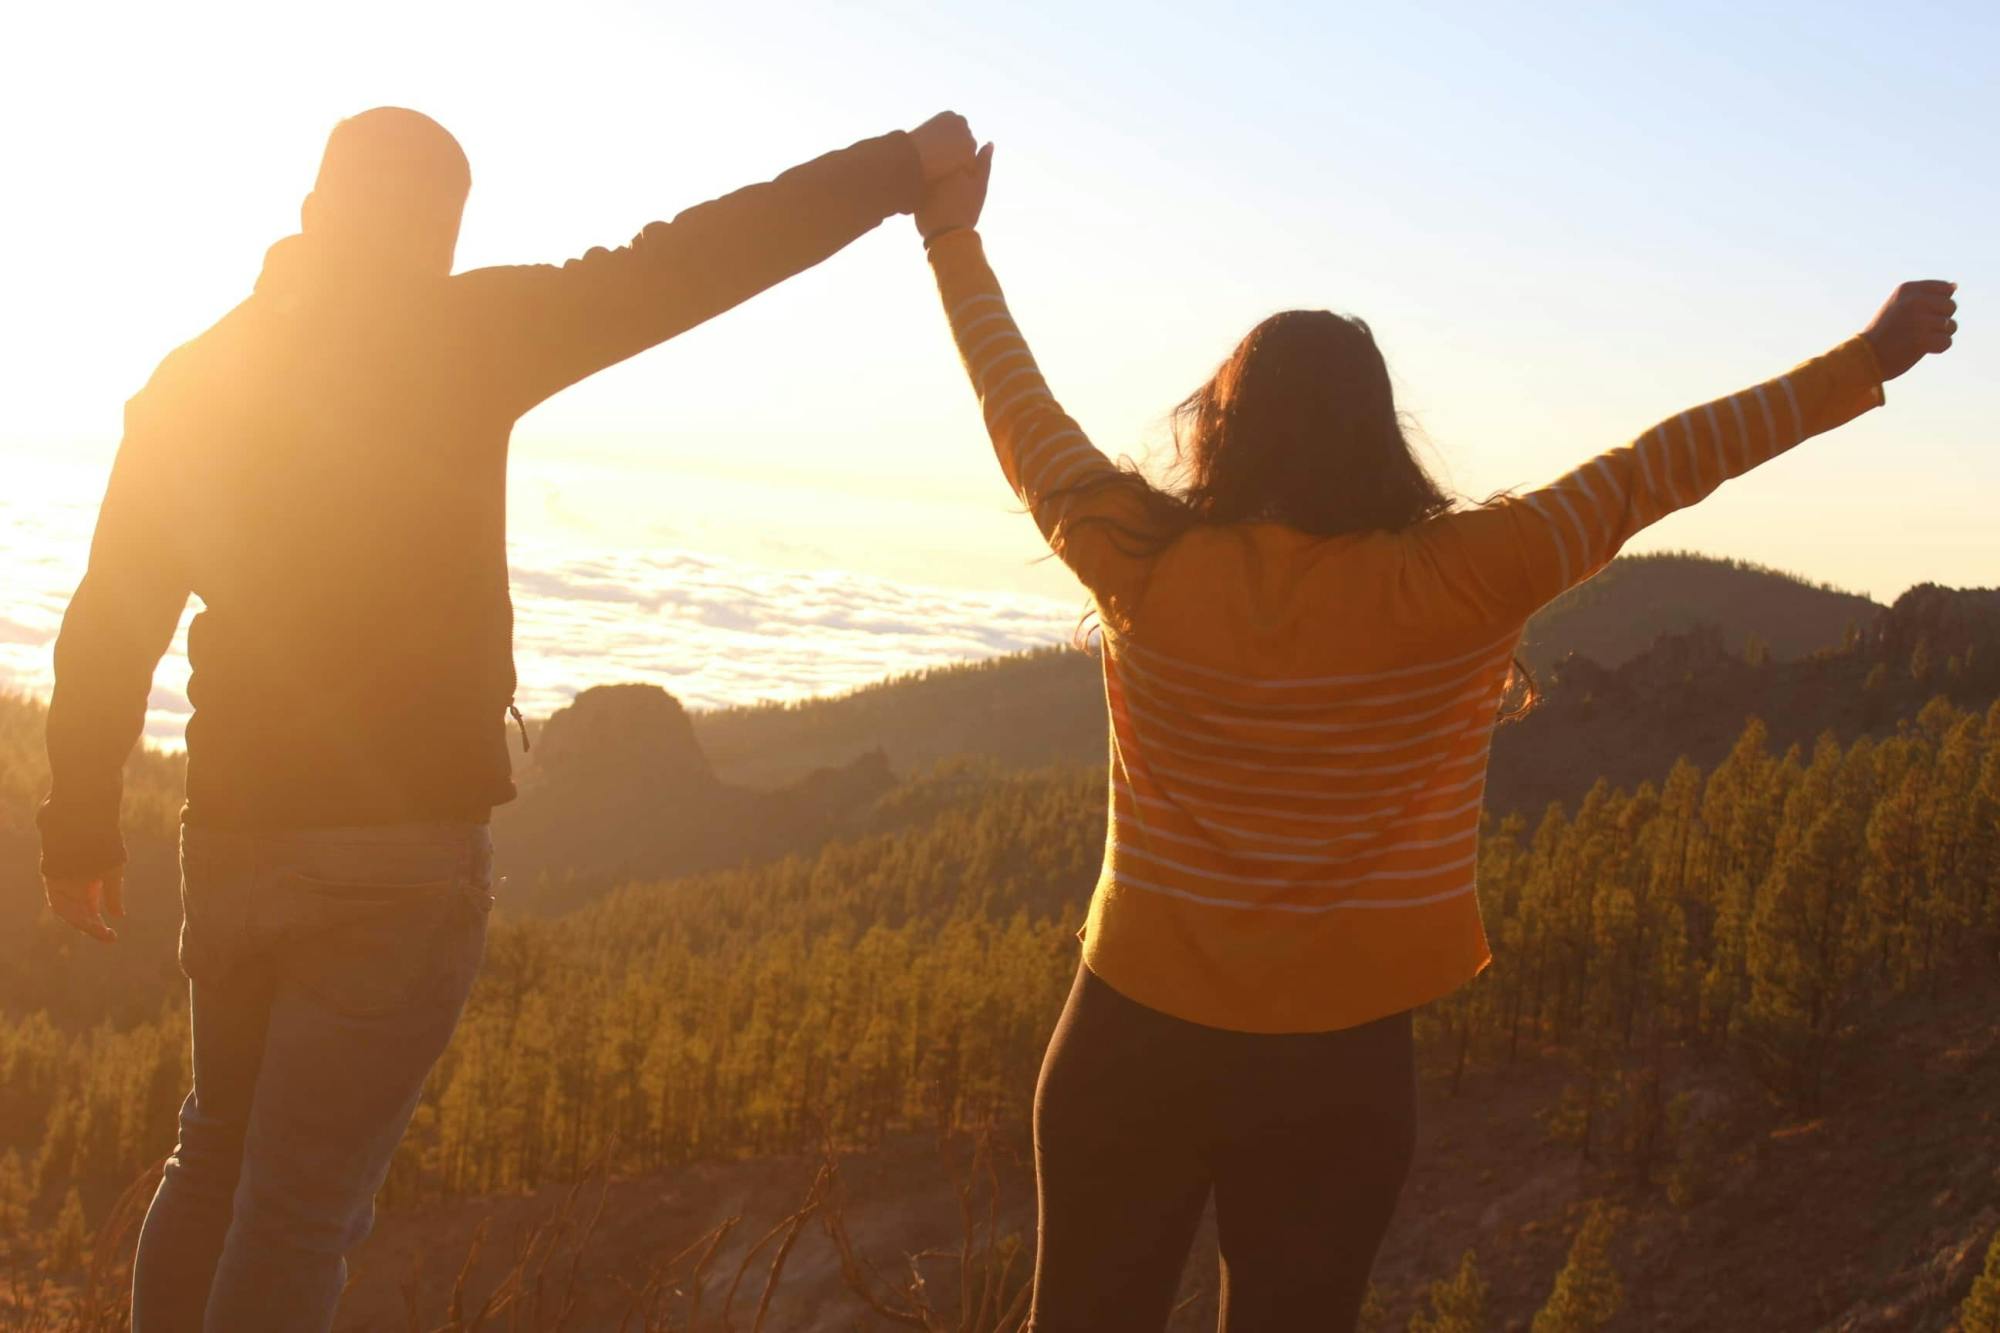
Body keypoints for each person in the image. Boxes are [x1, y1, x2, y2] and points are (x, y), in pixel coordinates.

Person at [912, 145, 1957, 1332]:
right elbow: (1664, 464)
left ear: (1222, 426)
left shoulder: (1141, 559)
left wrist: (949, 235)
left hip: (1126, 1041)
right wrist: (1867, 359)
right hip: (1336, 1073)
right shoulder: (1461, 577)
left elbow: (1016, 404)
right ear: (1376, 432)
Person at [38, 104, 977, 1333]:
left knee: (210, 1154)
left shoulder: (192, 381)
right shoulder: (465, 332)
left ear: (317, 211)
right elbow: (691, 259)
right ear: (439, 232)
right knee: (299, 1209)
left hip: (232, 836)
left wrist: (80, 828)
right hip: (397, 857)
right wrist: (900, 168)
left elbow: (112, 614)